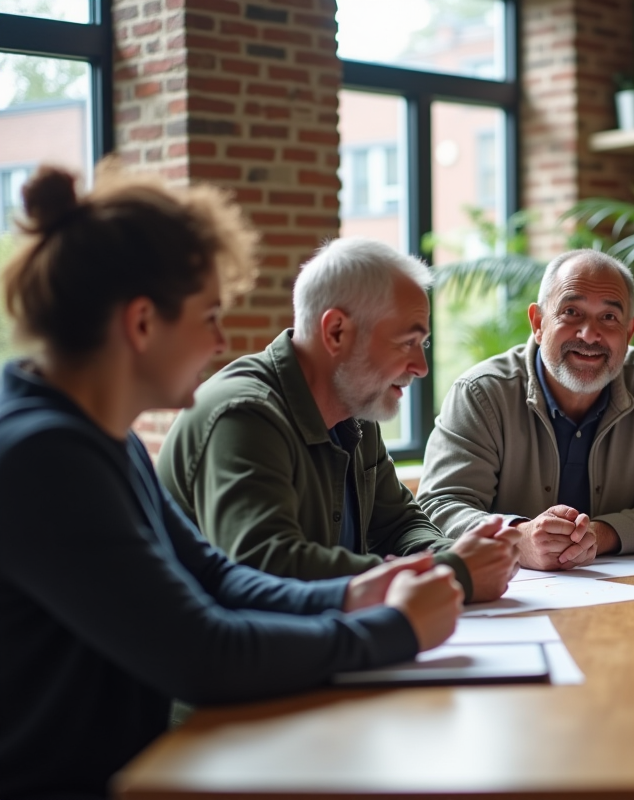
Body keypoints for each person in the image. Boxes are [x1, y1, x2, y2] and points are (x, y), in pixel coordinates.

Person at [0, 163, 465, 799]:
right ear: (142, 323)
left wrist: (352, 594)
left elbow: (214, 575)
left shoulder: (101, 435)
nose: (221, 342)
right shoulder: (44, 456)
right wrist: (393, 630)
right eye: (210, 316)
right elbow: (201, 652)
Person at [158, 238, 520, 603]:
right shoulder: (245, 415)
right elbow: (266, 565)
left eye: (422, 344)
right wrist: (454, 572)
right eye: (407, 342)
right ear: (336, 332)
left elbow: (399, 525)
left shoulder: (357, 410)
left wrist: (465, 559)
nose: (421, 367)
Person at [418, 249, 634, 570]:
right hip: (511, 591)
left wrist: (600, 535)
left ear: (629, 333)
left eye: (609, 317)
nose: (589, 334)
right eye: (571, 312)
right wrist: (518, 538)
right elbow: (439, 506)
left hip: (626, 587)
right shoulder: (480, 392)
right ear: (538, 322)